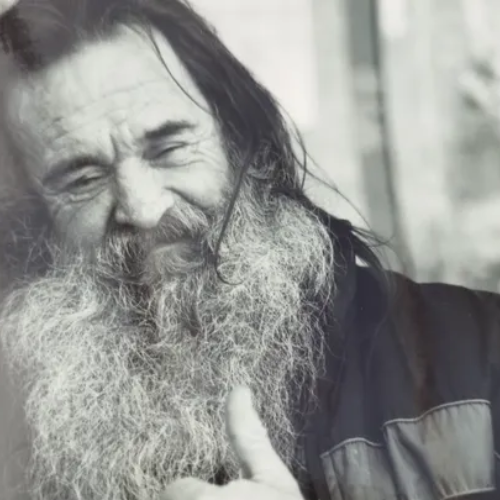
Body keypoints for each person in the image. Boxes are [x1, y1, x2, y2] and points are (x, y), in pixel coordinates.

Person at [0, 1, 498, 500]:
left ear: (242, 146)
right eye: (82, 180)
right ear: (31, 224)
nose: (143, 209)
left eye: (169, 148)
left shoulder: (480, 357)